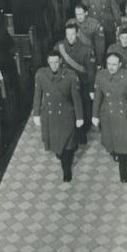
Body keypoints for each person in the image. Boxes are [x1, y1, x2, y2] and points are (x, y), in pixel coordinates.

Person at [91, 51, 127, 183]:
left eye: (114, 64)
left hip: (126, 114)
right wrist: (95, 115)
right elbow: (98, 97)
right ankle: (116, 154)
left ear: (120, 64)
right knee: (112, 143)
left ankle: (123, 172)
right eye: (108, 64)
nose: (111, 67)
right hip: (108, 114)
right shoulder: (100, 76)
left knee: (124, 145)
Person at [32, 49, 84, 182]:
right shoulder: (41, 75)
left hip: (66, 114)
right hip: (49, 115)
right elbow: (37, 95)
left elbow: (76, 98)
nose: (54, 65)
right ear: (47, 62)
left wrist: (79, 117)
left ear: (60, 61)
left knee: (68, 145)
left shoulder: (70, 76)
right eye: (51, 62)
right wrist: (36, 113)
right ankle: (61, 155)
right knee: (57, 146)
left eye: (56, 62)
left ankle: (66, 171)